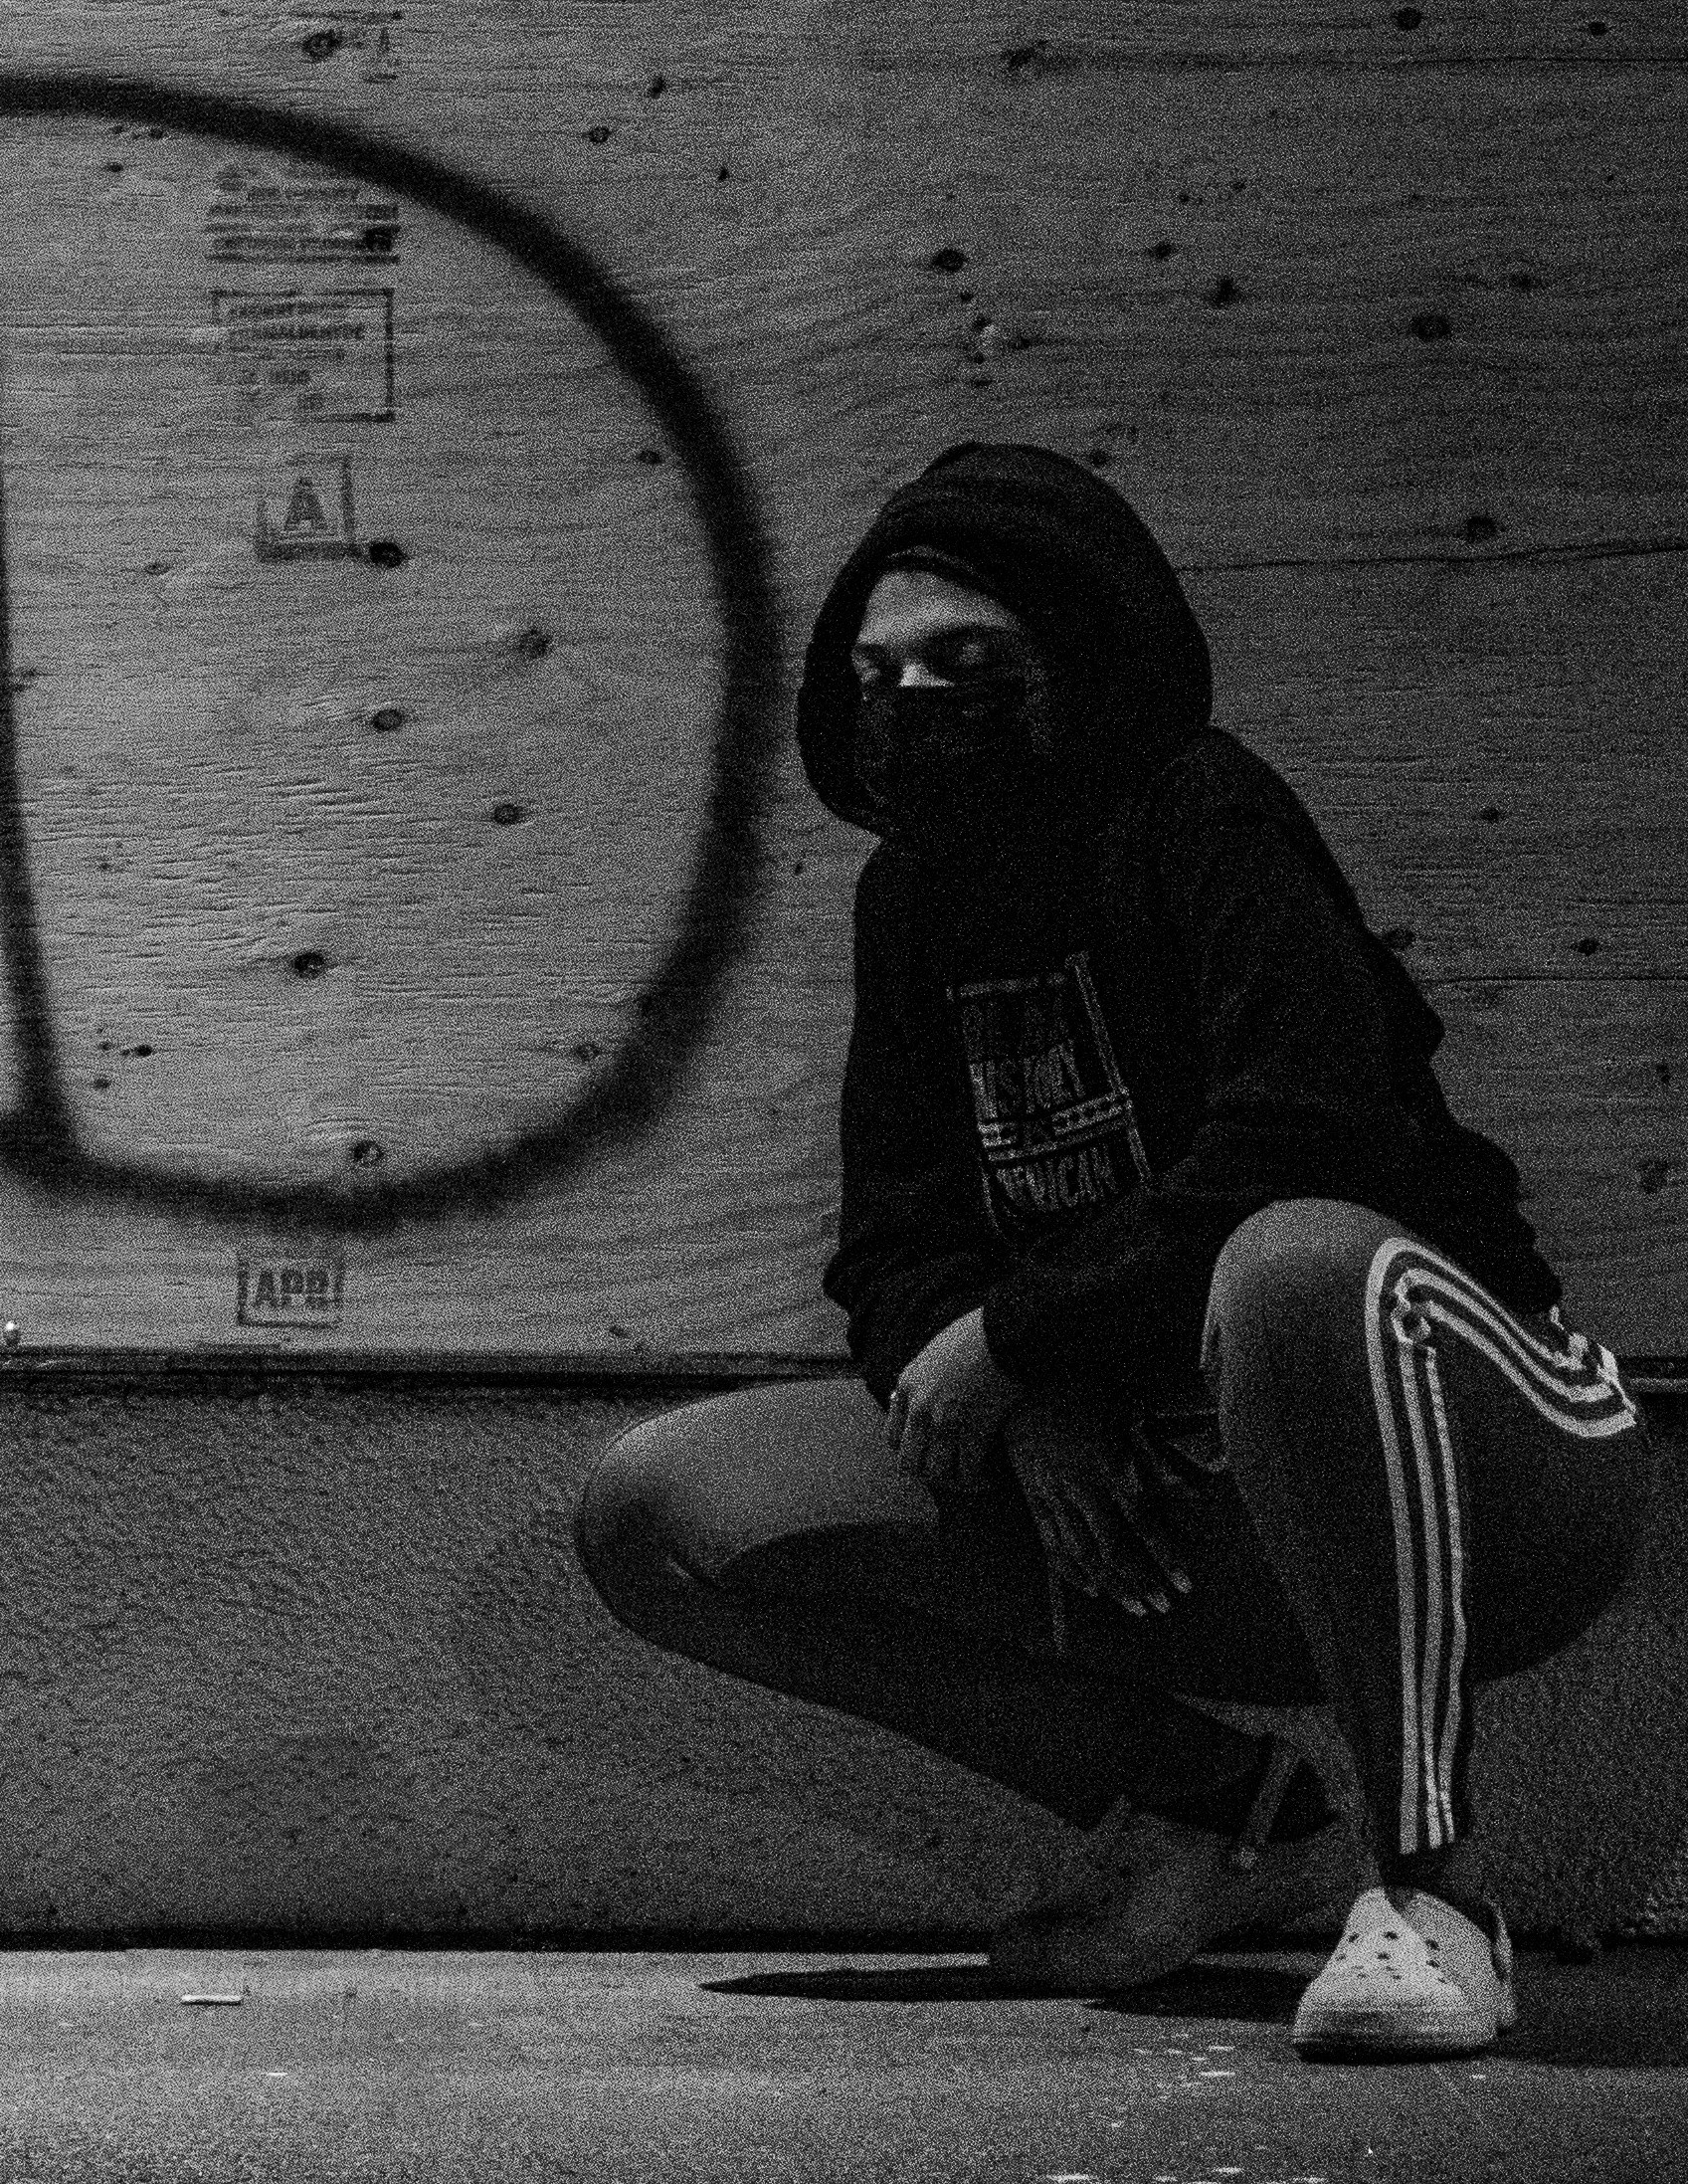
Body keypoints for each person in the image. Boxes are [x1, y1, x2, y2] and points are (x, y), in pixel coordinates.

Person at [574, 441, 1644, 2060]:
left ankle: (1430, 1895)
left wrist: (1021, 1339)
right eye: (877, 671)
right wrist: (1025, 1402)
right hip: (1169, 1505)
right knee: (660, 1515)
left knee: (1293, 1265)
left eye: (968, 659)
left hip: (1484, 1475)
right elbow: (893, 1242)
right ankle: (1214, 1810)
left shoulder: (1201, 809)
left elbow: (1316, 1133)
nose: (915, 698)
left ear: (1079, 657)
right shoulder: (912, 899)